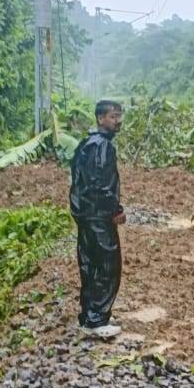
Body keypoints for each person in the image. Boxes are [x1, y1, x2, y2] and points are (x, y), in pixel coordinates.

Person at [70, 100, 126, 338]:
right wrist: (115, 210)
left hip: (86, 215)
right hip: (98, 216)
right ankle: (96, 320)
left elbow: (78, 180)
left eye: (119, 116)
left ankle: (89, 316)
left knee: (90, 265)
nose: (118, 121)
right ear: (101, 118)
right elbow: (100, 185)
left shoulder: (85, 143)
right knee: (106, 266)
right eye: (113, 117)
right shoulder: (102, 146)